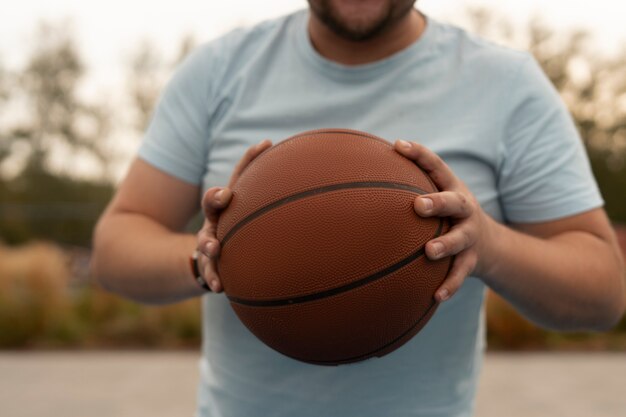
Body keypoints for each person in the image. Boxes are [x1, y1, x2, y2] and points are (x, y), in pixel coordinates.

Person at [92, 1, 625, 416]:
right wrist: (208, 258)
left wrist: (488, 244)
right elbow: (115, 248)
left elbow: (603, 293)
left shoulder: (506, 85)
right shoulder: (219, 70)